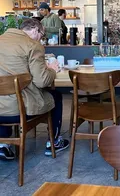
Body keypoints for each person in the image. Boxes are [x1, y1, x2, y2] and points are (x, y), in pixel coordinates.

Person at [0, 18, 69, 160]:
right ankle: (54, 142)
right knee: (56, 96)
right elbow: (42, 81)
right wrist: (52, 70)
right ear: (35, 30)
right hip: (20, 108)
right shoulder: (32, 45)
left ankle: (3, 145)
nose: (41, 39)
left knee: (5, 97)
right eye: (41, 35)